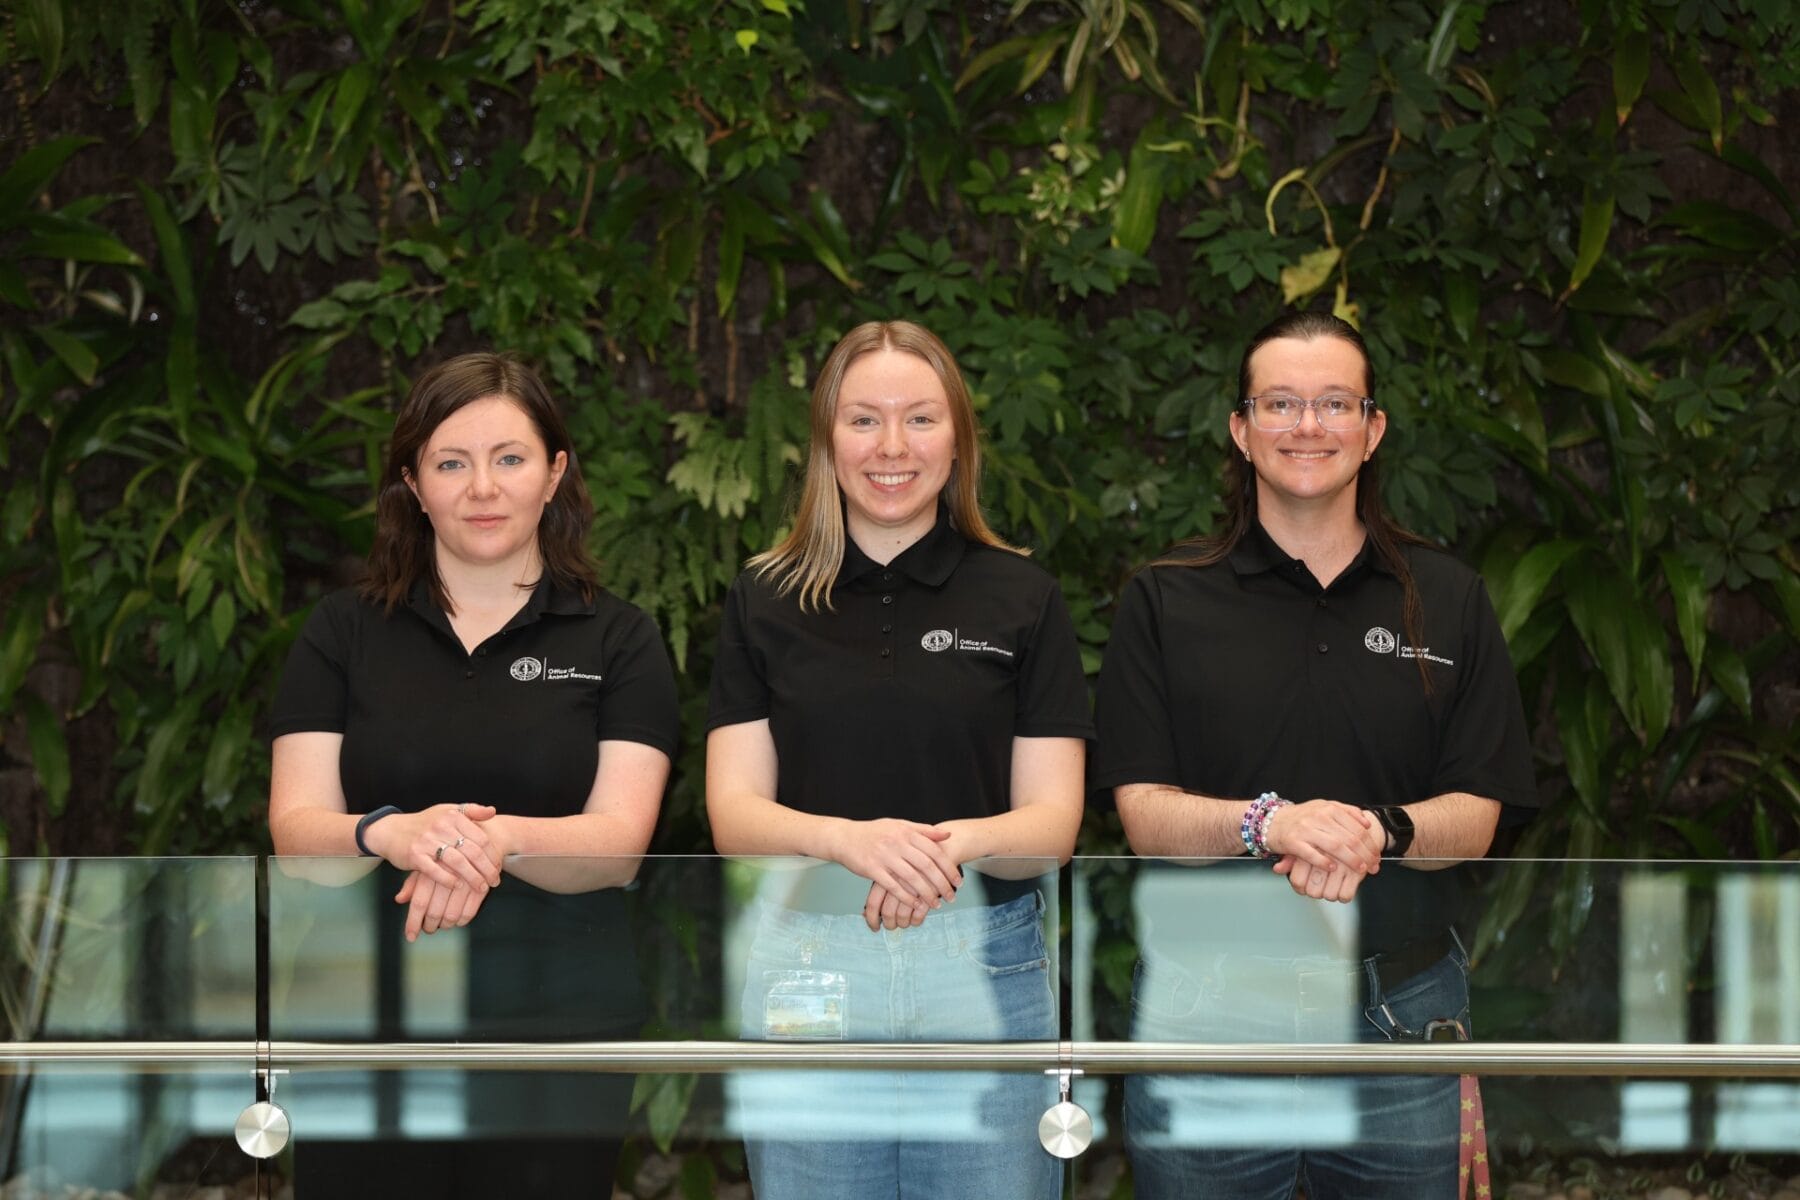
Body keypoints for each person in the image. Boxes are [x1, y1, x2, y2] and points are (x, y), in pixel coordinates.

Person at [1093, 311, 1538, 1199]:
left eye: (1335, 403)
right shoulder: (1164, 600)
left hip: (1403, 1020)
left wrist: (1378, 831)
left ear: (1372, 430)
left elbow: (1481, 812)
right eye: (1282, 403)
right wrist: (1275, 825)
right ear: (1241, 428)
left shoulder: (1447, 598)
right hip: (1205, 1020)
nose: (1308, 426)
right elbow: (1142, 813)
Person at [267, 352, 677, 1197]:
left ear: (554, 473)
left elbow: (618, 849)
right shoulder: (341, 632)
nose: (482, 487)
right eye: (451, 463)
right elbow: (298, 836)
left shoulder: (621, 640)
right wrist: (394, 831)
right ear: (414, 484)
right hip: (363, 1030)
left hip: (558, 1035)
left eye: (510, 459)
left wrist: (480, 841)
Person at [705, 320, 1091, 1199]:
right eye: (862, 419)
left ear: (957, 441)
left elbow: (1052, 824)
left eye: (919, 419)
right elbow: (734, 815)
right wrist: (851, 842)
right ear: (826, 443)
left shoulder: (1023, 596)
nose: (891, 447)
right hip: (807, 967)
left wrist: (935, 851)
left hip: (988, 977)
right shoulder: (763, 597)